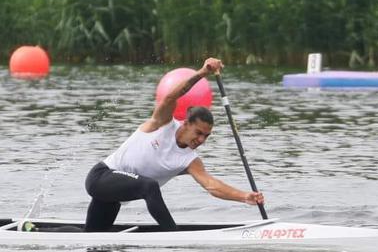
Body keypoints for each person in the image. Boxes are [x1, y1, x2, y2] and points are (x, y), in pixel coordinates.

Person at [83, 58, 265, 232]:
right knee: (149, 186)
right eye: (198, 133)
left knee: (92, 237)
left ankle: (57, 234)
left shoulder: (190, 161)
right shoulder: (162, 123)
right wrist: (202, 73)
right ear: (185, 123)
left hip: (114, 196)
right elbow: (170, 97)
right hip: (101, 176)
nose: (201, 140)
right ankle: (172, 234)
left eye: (206, 136)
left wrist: (244, 196)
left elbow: (212, 186)